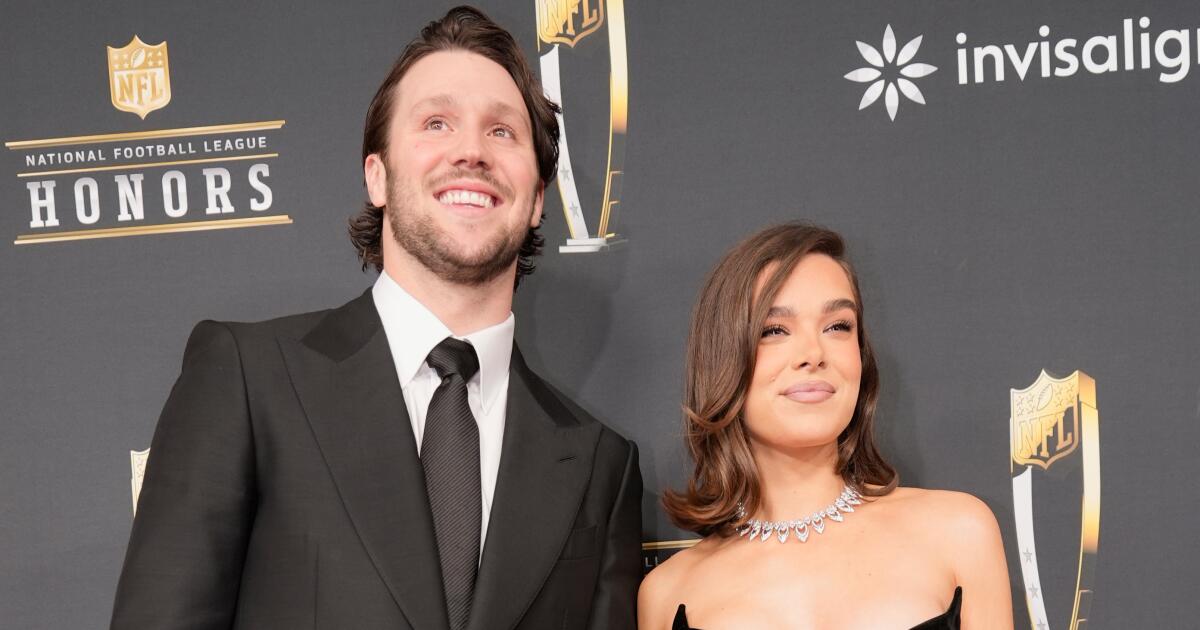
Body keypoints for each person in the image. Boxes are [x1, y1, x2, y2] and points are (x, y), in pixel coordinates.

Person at [110, 7, 641, 630]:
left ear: (537, 200)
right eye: (437, 122)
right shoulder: (249, 380)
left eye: (502, 131)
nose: (472, 151)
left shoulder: (600, 464)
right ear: (378, 176)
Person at [637, 224, 1012, 629]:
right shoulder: (668, 592)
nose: (813, 353)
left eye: (837, 326)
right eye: (774, 330)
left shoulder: (958, 531)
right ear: (722, 360)